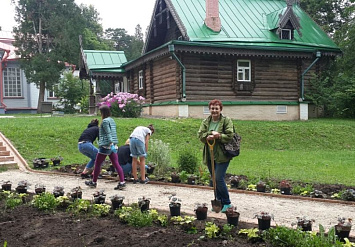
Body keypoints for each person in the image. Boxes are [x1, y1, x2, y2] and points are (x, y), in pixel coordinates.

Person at [197, 99, 234, 213]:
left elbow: (230, 135)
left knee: (218, 178)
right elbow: (200, 135)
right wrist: (208, 135)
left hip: (222, 154)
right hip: (210, 154)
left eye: (216, 108)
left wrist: (218, 136)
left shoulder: (226, 120)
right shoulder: (206, 121)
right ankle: (219, 201)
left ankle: (227, 203)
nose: (214, 111)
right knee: (214, 179)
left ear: (220, 109)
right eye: (212, 108)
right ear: (210, 109)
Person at [85, 105, 125, 190]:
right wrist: (114, 144)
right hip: (113, 146)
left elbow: (108, 132)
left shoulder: (105, 121)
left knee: (97, 164)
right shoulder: (112, 120)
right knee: (116, 164)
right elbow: (113, 132)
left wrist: (110, 142)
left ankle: (94, 182)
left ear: (102, 112)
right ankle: (122, 182)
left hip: (106, 146)